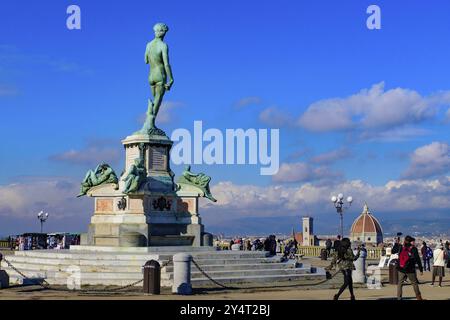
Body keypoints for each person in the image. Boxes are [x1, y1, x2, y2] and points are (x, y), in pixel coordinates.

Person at [397, 235, 424, 300]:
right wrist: (421, 269)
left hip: (401, 268)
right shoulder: (413, 249)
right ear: (410, 241)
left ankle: (399, 298)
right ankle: (419, 297)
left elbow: (399, 257)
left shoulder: (401, 247)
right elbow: (418, 259)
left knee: (400, 283)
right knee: (414, 283)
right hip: (410, 269)